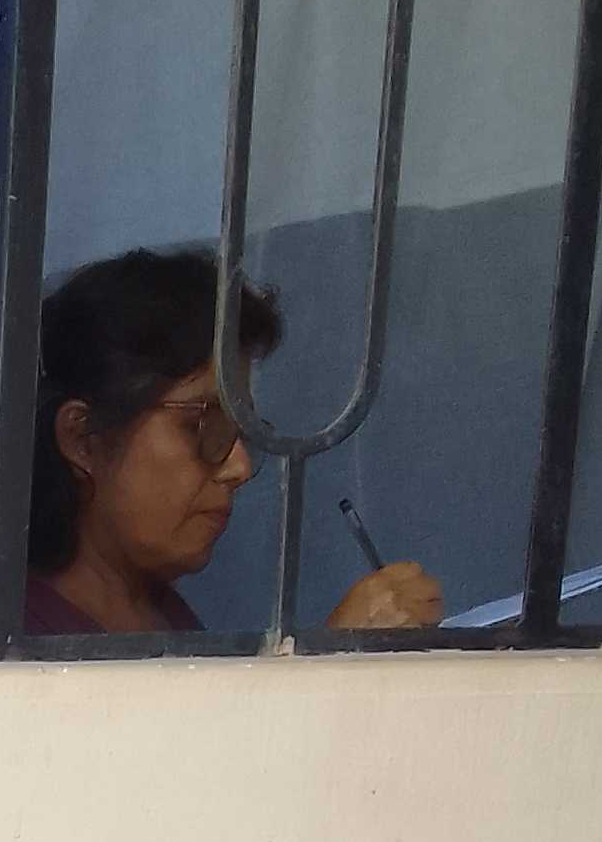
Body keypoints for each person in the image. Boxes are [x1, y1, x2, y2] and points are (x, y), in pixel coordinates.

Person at [25, 246, 443, 638]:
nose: (239, 466)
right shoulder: (21, 644)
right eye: (202, 424)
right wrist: (330, 666)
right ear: (83, 439)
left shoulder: (161, 615)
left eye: (242, 429)